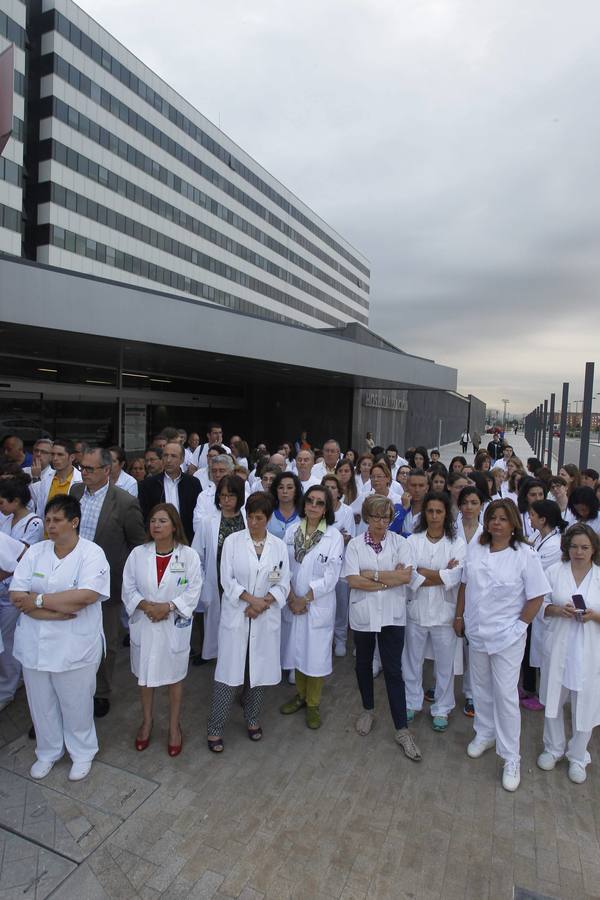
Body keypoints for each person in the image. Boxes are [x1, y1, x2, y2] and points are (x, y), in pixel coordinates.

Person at [9, 495, 110, 781]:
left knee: (76, 703)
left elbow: (86, 596)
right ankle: (48, 751)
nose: (50, 526)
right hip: (34, 643)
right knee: (41, 704)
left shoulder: (91, 553)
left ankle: (82, 752)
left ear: (74, 522)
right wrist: (52, 612)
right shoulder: (36, 552)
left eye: (57, 520)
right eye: (47, 520)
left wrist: (38, 600)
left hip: (75, 645)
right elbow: (17, 595)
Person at [454, 499, 550, 791]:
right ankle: (485, 732)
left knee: (506, 696)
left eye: (503, 518)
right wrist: (459, 616)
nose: (496, 523)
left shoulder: (525, 555)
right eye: (492, 517)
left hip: (507, 636)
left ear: (513, 524)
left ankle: (511, 757)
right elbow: (465, 584)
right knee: (480, 686)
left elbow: (537, 596)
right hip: (477, 632)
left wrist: (520, 626)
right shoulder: (477, 547)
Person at [206, 492, 290, 752]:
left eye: (259, 518)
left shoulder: (278, 546)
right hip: (238, 614)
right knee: (228, 673)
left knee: (258, 672)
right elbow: (227, 579)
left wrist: (263, 603)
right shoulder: (233, 542)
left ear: (268, 518)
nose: (253, 523)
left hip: (264, 617)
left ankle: (252, 719)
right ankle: (215, 727)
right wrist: (252, 601)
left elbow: (283, 583)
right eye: (250, 517)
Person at [343, 495, 421, 760]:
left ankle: (402, 729)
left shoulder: (400, 543)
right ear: (367, 517)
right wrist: (390, 579)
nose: (380, 523)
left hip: (392, 616)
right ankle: (368, 710)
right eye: (376, 517)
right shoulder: (355, 546)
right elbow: (353, 581)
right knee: (363, 664)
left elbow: (406, 576)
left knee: (393, 670)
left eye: (385, 517)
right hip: (364, 614)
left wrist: (373, 575)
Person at [122, 503, 202, 756]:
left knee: (174, 677)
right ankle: (147, 722)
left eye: (162, 521)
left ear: (174, 526)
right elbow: (128, 588)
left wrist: (167, 607)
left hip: (172, 624)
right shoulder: (138, 554)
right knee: (145, 677)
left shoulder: (188, 556)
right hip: (146, 622)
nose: (156, 525)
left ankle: (174, 726)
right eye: (153, 521)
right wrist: (148, 606)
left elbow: (193, 590)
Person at [71, 448, 146, 717]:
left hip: (106, 583)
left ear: (107, 470)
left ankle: (101, 692)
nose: (84, 473)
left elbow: (138, 545)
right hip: (71, 578)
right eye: (82, 467)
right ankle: (74, 686)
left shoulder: (125, 502)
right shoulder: (75, 493)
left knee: (105, 640)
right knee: (73, 635)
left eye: (90, 469)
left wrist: (129, 580)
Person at [537, 524, 600, 783]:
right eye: (574, 546)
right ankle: (553, 748)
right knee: (554, 697)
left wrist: (594, 616)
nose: (579, 552)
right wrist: (556, 610)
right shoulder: (554, 571)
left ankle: (578, 755)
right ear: (567, 547)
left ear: (594, 549)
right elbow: (538, 603)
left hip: (589, 651)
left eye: (584, 547)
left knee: (585, 703)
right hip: (559, 645)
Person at [280, 486, 344, 728]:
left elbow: (331, 576)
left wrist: (305, 598)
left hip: (316, 604)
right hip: (293, 602)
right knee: (297, 652)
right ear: (304, 504)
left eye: (320, 503)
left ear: (326, 509)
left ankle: (313, 704)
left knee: (315, 657)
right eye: (310, 501)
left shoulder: (333, 537)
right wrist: (291, 597)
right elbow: (282, 567)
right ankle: (300, 696)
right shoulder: (291, 531)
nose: (314, 506)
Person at [404, 492, 466, 732]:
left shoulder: (457, 543)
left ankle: (442, 708)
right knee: (412, 660)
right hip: (416, 611)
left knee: (445, 665)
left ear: (446, 514)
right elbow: (409, 575)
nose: (434, 516)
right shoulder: (412, 541)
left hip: (444, 614)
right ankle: (412, 702)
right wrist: (442, 574)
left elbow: (457, 576)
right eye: (430, 511)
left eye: (439, 511)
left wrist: (424, 572)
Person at [191, 474, 246, 662]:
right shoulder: (208, 522)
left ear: (240, 496)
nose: (226, 500)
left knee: (239, 627)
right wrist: (203, 585)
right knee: (218, 626)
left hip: (243, 584)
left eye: (231, 495)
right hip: (217, 585)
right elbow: (196, 556)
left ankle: (237, 660)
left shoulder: (247, 520)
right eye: (223, 495)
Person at [0, 478, 44, 711]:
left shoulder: (33, 523)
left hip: (15, 590)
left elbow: (22, 557)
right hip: (2, 586)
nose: (0, 507)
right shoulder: (6, 518)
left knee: (8, 640)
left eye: (2, 502)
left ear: (16, 501)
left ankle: (7, 688)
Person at [521, 499, 567, 713]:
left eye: (532, 515)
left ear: (543, 519)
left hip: (545, 600)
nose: (529, 519)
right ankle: (530, 688)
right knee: (531, 647)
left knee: (543, 652)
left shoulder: (555, 545)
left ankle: (542, 695)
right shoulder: (538, 535)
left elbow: (535, 569)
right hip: (532, 599)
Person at [139, 442, 201, 544]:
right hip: (157, 540)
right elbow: (144, 515)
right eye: (165, 455)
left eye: (173, 456)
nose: (168, 460)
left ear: (182, 459)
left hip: (186, 539)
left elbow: (197, 514)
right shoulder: (148, 485)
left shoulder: (193, 484)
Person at [322, 473, 355, 656]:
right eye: (326, 487)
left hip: (341, 567)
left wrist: (332, 539)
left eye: (333, 487)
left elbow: (347, 537)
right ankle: (326, 639)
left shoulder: (347, 511)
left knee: (341, 605)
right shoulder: (317, 509)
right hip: (321, 566)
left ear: (339, 491)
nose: (329, 490)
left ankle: (340, 638)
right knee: (324, 605)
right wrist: (337, 536)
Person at [35, 439, 82, 517]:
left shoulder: (81, 481)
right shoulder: (46, 479)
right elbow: (40, 511)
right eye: (53, 454)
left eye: (60, 455)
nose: (55, 458)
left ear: (72, 457)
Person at [268, 472, 302, 539]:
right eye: (281, 487)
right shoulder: (268, 512)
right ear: (276, 490)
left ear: (296, 491)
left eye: (289, 487)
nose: (285, 491)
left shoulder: (303, 514)